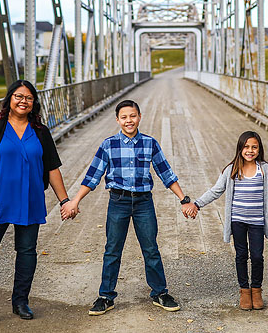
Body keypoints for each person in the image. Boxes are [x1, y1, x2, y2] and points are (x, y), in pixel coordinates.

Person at [65, 99, 191, 316]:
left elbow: (166, 173)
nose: (128, 121)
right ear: (117, 120)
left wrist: (183, 199)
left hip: (144, 203)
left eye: (132, 116)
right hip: (118, 202)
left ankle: (160, 293)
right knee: (112, 250)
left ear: (139, 117)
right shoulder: (108, 145)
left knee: (150, 248)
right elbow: (92, 176)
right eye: (124, 117)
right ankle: (106, 296)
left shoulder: (150, 143)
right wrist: (75, 201)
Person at [0, 79, 76, 327]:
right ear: (9, 99)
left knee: (26, 253)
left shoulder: (41, 132)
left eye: (28, 98)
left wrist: (65, 200)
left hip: (30, 201)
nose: (23, 101)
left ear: (33, 103)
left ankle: (20, 302)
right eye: (18, 96)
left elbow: (52, 169)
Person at [189, 130, 268, 311]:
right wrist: (197, 204)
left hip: (257, 222)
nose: (250, 150)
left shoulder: (265, 170)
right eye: (246, 147)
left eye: (254, 147)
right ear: (240, 148)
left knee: (257, 256)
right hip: (237, 221)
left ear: (259, 149)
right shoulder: (232, 170)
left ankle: (256, 290)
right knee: (241, 255)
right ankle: (244, 291)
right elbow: (216, 191)